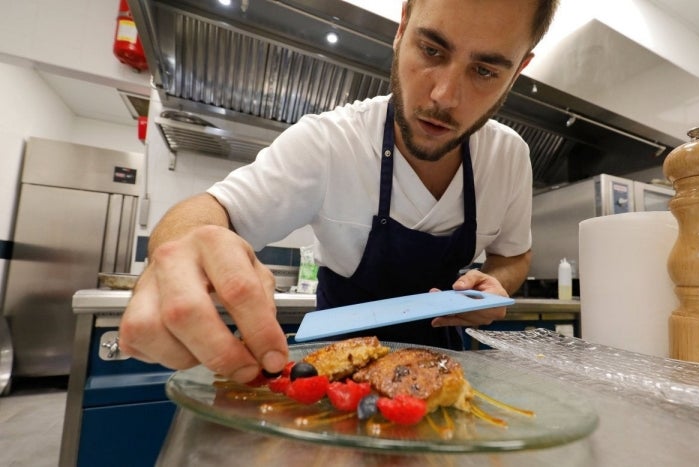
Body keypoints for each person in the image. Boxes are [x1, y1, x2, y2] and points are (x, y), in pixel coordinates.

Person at [119, 0, 558, 383]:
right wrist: (181, 250)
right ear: (402, 26)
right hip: (331, 374)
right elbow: (211, 211)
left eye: (484, 70)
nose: (444, 96)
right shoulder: (329, 142)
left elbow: (513, 257)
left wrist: (494, 285)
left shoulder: (508, 157)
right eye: (431, 49)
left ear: (517, 70)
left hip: (442, 371)